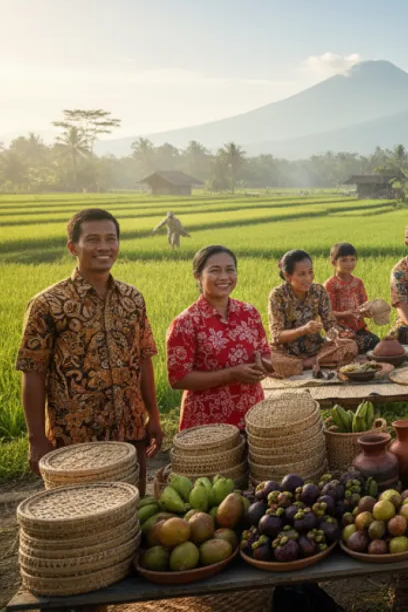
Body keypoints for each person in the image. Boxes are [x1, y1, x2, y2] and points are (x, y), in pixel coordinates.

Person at [16, 209, 161, 491]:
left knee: (133, 514)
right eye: (93, 239)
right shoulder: (48, 304)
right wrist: (36, 439)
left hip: (130, 432)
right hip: (75, 440)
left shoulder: (133, 299)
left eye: (111, 239)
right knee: (80, 521)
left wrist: (152, 416)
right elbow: (32, 374)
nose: (104, 247)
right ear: (73, 247)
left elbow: (144, 359)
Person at [166, 245, 274, 431]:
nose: (224, 277)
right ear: (198, 276)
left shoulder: (249, 313)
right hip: (208, 423)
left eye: (230, 270)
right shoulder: (186, 322)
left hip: (252, 414)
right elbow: (179, 379)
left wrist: (263, 365)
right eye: (215, 270)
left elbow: (265, 353)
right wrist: (231, 374)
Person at [269, 249, 350, 364]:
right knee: (273, 361)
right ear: (288, 276)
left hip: (316, 349)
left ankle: (309, 363)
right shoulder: (277, 295)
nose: (308, 278)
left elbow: (330, 324)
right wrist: (303, 330)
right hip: (286, 352)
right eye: (302, 274)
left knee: (350, 346)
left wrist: (341, 334)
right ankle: (312, 363)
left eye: (310, 272)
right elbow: (276, 336)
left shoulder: (318, 290)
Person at [323, 242, 381, 353]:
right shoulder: (330, 285)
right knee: (350, 345)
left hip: (358, 329)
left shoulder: (358, 282)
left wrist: (368, 312)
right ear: (333, 263)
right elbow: (327, 313)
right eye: (344, 260)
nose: (349, 264)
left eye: (352, 259)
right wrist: (347, 313)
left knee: (375, 341)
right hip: (339, 329)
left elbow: (364, 305)